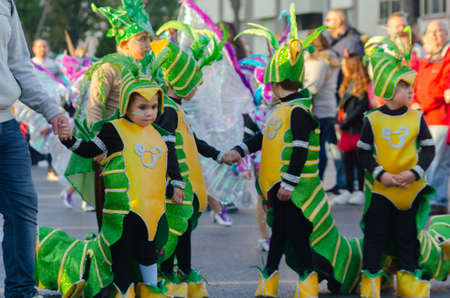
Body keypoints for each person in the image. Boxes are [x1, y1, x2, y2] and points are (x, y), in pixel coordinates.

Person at [229, 6, 328, 296]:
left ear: (273, 83)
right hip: (278, 189)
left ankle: (305, 281)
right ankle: (270, 280)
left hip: (292, 191)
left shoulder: (297, 111)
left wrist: (289, 182)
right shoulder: (279, 110)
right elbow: (264, 138)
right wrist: (239, 150)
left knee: (295, 237)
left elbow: (300, 148)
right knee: (280, 237)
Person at [59, 67, 184, 297]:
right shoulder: (113, 129)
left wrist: (175, 186)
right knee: (122, 255)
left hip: (152, 211)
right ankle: (122, 292)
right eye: (142, 107)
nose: (149, 113)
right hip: (123, 212)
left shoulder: (158, 134)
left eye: (154, 107)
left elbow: (155, 172)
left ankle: (150, 291)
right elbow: (90, 150)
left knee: (148, 253)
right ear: (126, 105)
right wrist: (69, 141)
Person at [151, 23, 236, 295]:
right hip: (173, 184)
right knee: (175, 230)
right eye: (194, 83)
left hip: (183, 183)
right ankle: (169, 276)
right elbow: (167, 148)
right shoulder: (167, 109)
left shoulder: (177, 108)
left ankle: (183, 273)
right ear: (181, 81)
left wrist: (219, 154)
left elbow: (192, 140)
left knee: (184, 228)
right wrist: (174, 182)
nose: (198, 88)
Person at [0, 1, 70, 297]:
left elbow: (19, 66)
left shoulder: (6, 4)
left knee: (22, 208)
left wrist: (52, 111)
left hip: (5, 123)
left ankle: (21, 291)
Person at [65, 0, 158, 223]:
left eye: (149, 39)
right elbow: (94, 107)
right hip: (112, 149)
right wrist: (99, 145)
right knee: (114, 214)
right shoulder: (108, 68)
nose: (147, 45)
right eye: (142, 39)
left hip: (141, 148)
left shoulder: (146, 69)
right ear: (124, 42)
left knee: (141, 211)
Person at [358, 36, 436, 298]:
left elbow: (429, 148)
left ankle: (408, 276)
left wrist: (414, 173)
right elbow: (363, 153)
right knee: (375, 234)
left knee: (408, 235)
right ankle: (370, 277)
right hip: (382, 189)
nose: (411, 91)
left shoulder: (417, 117)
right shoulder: (373, 119)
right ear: (389, 88)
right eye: (404, 87)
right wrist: (382, 175)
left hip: (409, 188)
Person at [413, 20, 450, 215]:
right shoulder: (427, 58)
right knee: (429, 160)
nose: (436, 35)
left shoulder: (448, 57)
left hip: (441, 118)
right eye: (432, 31)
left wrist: (423, 102)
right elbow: (418, 85)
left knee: (438, 161)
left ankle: (437, 200)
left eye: (440, 31)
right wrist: (415, 102)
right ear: (425, 36)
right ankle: (432, 198)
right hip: (425, 116)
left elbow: (444, 89)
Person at [332, 55, 369, 205]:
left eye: (345, 64)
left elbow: (360, 109)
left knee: (359, 162)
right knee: (346, 161)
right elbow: (341, 106)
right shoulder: (346, 84)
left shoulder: (362, 85)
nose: (343, 67)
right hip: (345, 129)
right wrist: (338, 121)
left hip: (356, 129)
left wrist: (344, 123)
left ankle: (360, 190)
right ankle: (348, 190)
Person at [303, 31, 340, 182]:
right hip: (326, 106)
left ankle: (318, 180)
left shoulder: (319, 61)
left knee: (318, 149)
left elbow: (313, 87)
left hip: (320, 109)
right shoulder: (328, 57)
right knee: (322, 147)